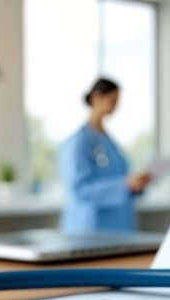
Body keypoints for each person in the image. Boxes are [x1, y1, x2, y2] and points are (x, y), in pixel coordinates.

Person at [59, 78, 151, 234]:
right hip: (89, 229)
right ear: (97, 97)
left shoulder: (110, 142)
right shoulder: (78, 142)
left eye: (117, 102)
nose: (115, 107)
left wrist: (136, 184)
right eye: (112, 101)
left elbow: (121, 179)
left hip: (119, 226)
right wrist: (124, 184)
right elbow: (79, 189)